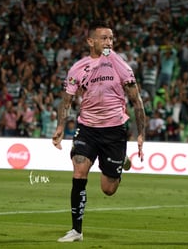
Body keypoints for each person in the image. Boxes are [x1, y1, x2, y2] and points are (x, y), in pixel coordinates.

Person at [52, 20, 146, 242]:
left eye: (111, 38)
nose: (108, 42)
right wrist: (59, 127)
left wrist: (141, 133)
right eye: (104, 38)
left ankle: (120, 162)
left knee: (108, 189)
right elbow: (66, 100)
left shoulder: (121, 66)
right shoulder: (78, 67)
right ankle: (76, 230)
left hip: (114, 130)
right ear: (90, 41)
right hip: (87, 129)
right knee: (79, 170)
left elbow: (137, 100)